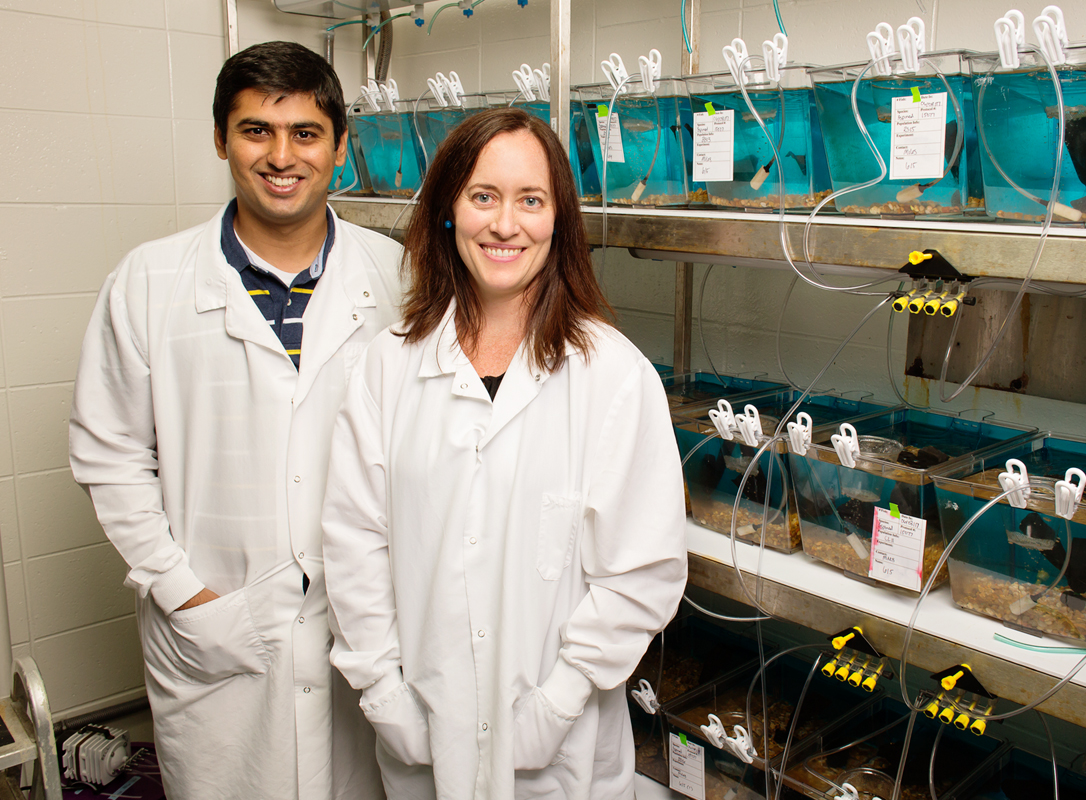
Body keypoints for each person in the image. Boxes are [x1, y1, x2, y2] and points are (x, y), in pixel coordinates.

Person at [321, 107, 689, 799]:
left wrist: (558, 702)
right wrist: (382, 693)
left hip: (562, 751)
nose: (504, 224)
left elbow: (642, 569)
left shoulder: (612, 373)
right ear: (448, 212)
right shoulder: (389, 367)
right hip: (422, 730)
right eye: (483, 196)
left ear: (559, 220)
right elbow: (353, 542)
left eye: (531, 200)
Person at [68, 41, 399, 800]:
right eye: (256, 131)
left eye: (306, 134)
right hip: (219, 631)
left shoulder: (398, 276)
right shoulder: (149, 282)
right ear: (221, 139)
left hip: (365, 627)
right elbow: (107, 454)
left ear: (340, 147)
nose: (282, 156)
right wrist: (183, 592)